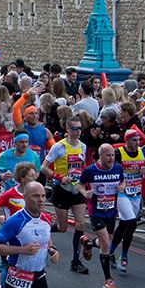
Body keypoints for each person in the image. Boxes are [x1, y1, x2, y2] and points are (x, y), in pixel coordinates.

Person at [41, 116, 91, 274]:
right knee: (62, 228)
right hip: (61, 189)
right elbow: (43, 167)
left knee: (80, 224)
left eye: (79, 128)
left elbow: (81, 167)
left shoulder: (83, 146)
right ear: (68, 130)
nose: (78, 131)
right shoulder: (59, 147)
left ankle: (76, 262)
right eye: (74, 128)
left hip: (75, 189)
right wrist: (59, 177)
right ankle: (44, 230)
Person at [77, 143, 126, 288]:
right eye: (108, 155)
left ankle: (88, 243)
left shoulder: (118, 168)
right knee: (105, 244)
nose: (111, 158)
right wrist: (85, 193)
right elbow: (79, 184)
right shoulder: (90, 171)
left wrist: (122, 187)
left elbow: (122, 181)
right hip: (96, 211)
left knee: (106, 240)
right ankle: (108, 280)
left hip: (111, 211)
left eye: (112, 155)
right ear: (101, 156)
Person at [110, 128, 145, 273]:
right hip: (122, 193)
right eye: (134, 140)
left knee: (123, 225)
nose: (137, 143)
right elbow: (110, 169)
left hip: (136, 193)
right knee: (132, 222)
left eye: (138, 140)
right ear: (127, 140)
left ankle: (110, 252)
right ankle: (124, 256)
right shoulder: (118, 153)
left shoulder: (144, 153)